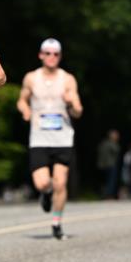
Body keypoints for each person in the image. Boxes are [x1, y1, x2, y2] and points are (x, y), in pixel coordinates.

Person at [17, 38, 83, 239]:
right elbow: (21, 100)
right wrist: (25, 110)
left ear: (60, 57)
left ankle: (56, 222)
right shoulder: (31, 78)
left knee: (60, 183)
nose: (51, 57)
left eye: (55, 54)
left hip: (62, 138)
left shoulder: (68, 79)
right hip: (39, 138)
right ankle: (46, 194)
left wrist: (71, 104)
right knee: (42, 183)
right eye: (47, 53)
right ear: (41, 55)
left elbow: (78, 111)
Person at [97, 130, 120, 199]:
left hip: (101, 165)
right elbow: (117, 150)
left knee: (104, 182)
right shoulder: (112, 144)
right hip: (110, 165)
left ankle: (103, 195)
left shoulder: (103, 143)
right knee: (111, 182)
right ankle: (109, 196)